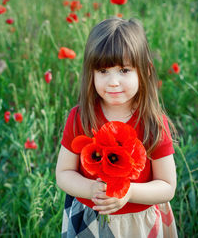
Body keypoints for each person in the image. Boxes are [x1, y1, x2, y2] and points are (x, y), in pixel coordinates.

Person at [56, 17, 178, 238]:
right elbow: (64, 173)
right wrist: (90, 189)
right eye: (103, 71)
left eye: (124, 70)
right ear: (90, 73)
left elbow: (167, 186)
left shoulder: (153, 123)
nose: (113, 81)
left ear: (145, 71)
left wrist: (128, 192)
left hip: (138, 225)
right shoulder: (80, 117)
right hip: (90, 221)